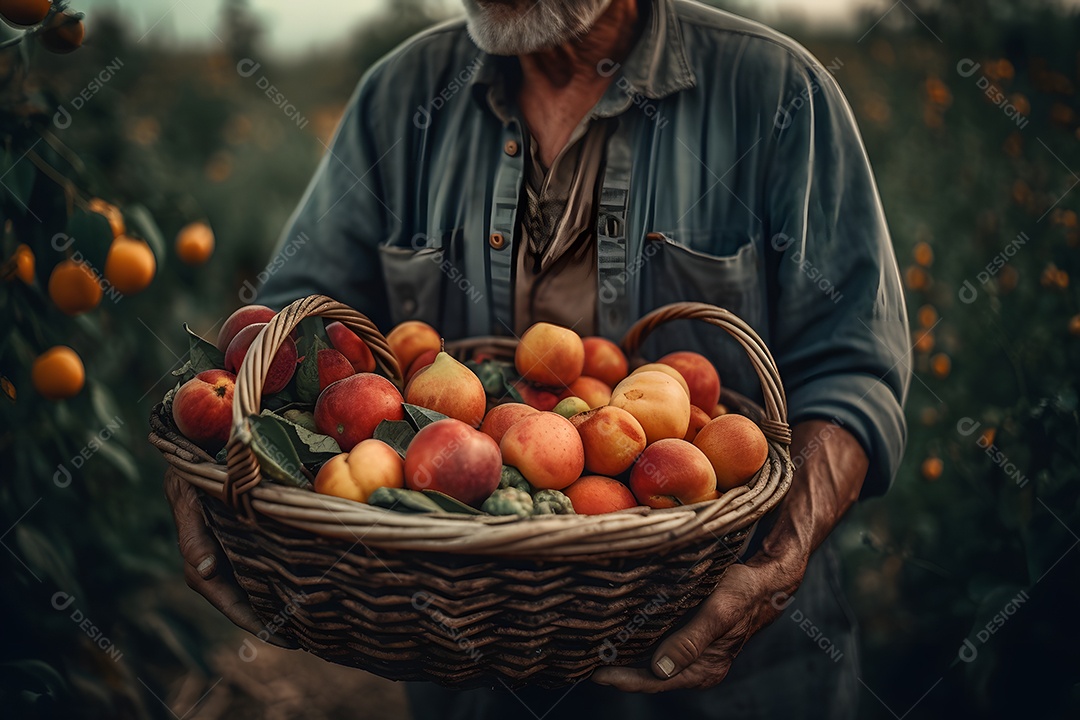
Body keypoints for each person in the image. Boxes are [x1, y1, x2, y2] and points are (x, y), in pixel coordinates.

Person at [164, 0, 911, 717]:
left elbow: (852, 377)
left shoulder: (777, 95)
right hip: (468, 665)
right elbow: (283, 338)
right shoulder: (399, 101)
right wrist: (216, 449)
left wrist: (776, 563)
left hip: (738, 680)